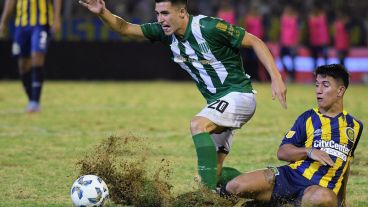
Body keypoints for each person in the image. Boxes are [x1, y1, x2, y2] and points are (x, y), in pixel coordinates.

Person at [79, 0, 287, 190]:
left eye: (165, 13)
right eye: (157, 14)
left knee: (198, 124)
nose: (160, 19)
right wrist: (103, 12)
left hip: (239, 95)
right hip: (219, 102)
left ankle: (208, 200)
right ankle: (269, 190)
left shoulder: (209, 27)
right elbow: (124, 28)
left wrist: (276, 78)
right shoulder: (164, 32)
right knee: (211, 175)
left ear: (182, 12)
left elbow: (255, 42)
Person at [220, 64, 363, 206]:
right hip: (290, 176)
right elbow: (282, 152)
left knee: (322, 199)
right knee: (235, 186)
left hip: (318, 190)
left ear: (340, 90)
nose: (318, 91)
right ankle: (211, 198)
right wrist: (309, 151)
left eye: (325, 85)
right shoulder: (307, 118)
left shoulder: (355, 126)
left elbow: (345, 163)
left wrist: (342, 202)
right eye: (317, 85)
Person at [0, 0, 62, 113]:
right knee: (23, 65)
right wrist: (3, 21)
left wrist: (57, 18)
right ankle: (32, 99)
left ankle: (35, 102)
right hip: (21, 25)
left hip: (41, 23)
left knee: (37, 56)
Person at [279, 5, 300, 82]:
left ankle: (292, 76)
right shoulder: (283, 18)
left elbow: (296, 31)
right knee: (282, 58)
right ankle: (288, 73)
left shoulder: (295, 19)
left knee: (293, 61)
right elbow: (282, 30)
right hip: (284, 42)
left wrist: (296, 42)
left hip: (292, 43)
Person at [307, 4, 330, 70]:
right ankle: (324, 72)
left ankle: (320, 72)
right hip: (319, 41)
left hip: (318, 41)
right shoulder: (322, 18)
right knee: (319, 58)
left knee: (317, 58)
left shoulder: (313, 19)